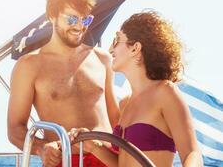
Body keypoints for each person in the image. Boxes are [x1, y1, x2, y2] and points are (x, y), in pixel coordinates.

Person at [7, 0, 119, 167]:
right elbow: (15, 129)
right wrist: (41, 148)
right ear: (52, 16)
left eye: (86, 19)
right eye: (72, 18)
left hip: (108, 159)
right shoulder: (29, 66)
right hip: (64, 161)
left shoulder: (103, 59)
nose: (79, 26)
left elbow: (116, 119)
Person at [70, 11, 203, 167]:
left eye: (116, 40)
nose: (110, 49)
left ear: (135, 48)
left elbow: (192, 153)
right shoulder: (125, 103)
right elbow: (123, 162)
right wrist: (94, 146)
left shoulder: (165, 91)